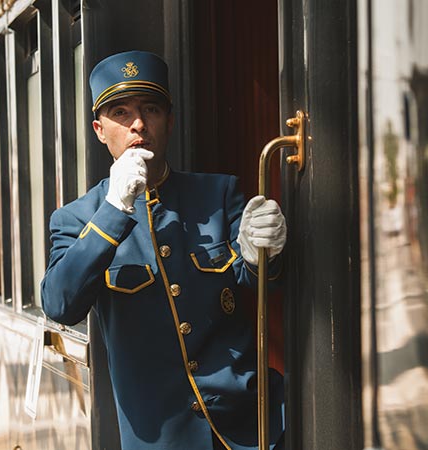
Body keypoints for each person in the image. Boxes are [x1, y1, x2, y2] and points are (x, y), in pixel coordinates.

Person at [40, 50, 286, 450]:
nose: (138, 124)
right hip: (161, 439)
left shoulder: (218, 193)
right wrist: (114, 211)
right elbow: (59, 304)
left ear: (169, 122)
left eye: (150, 109)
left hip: (251, 428)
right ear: (100, 130)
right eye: (120, 113)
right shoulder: (76, 218)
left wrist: (265, 251)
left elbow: (260, 282)